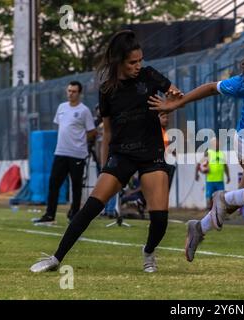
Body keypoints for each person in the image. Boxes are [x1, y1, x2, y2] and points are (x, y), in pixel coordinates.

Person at [30, 30, 183, 273]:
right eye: (133, 62)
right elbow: (108, 132)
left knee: (160, 218)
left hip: (151, 154)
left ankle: (149, 252)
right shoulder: (107, 89)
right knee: (90, 208)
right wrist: (106, 165)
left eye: (140, 60)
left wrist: (172, 101)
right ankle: (56, 258)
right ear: (118, 60)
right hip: (121, 155)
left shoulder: (150, 76)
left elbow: (175, 94)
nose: (138, 66)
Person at [148, 43, 244, 262]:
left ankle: (198, 229)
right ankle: (221, 196)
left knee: (236, 202)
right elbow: (212, 87)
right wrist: (178, 103)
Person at [32, 81, 96, 225]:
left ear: (79, 93)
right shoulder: (61, 107)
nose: (70, 94)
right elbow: (62, 127)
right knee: (53, 183)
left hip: (77, 154)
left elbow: (92, 131)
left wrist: (80, 141)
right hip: (60, 152)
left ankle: (74, 215)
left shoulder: (84, 110)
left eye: (73, 91)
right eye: (69, 91)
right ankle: (50, 216)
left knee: (76, 186)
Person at [195, 138, 230, 210]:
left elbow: (225, 166)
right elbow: (199, 163)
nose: (216, 144)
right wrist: (196, 173)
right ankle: (210, 213)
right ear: (212, 145)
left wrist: (228, 176)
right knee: (209, 197)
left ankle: (221, 213)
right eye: (215, 143)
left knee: (221, 198)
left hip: (220, 180)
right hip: (210, 181)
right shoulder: (208, 153)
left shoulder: (221, 154)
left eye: (217, 143)